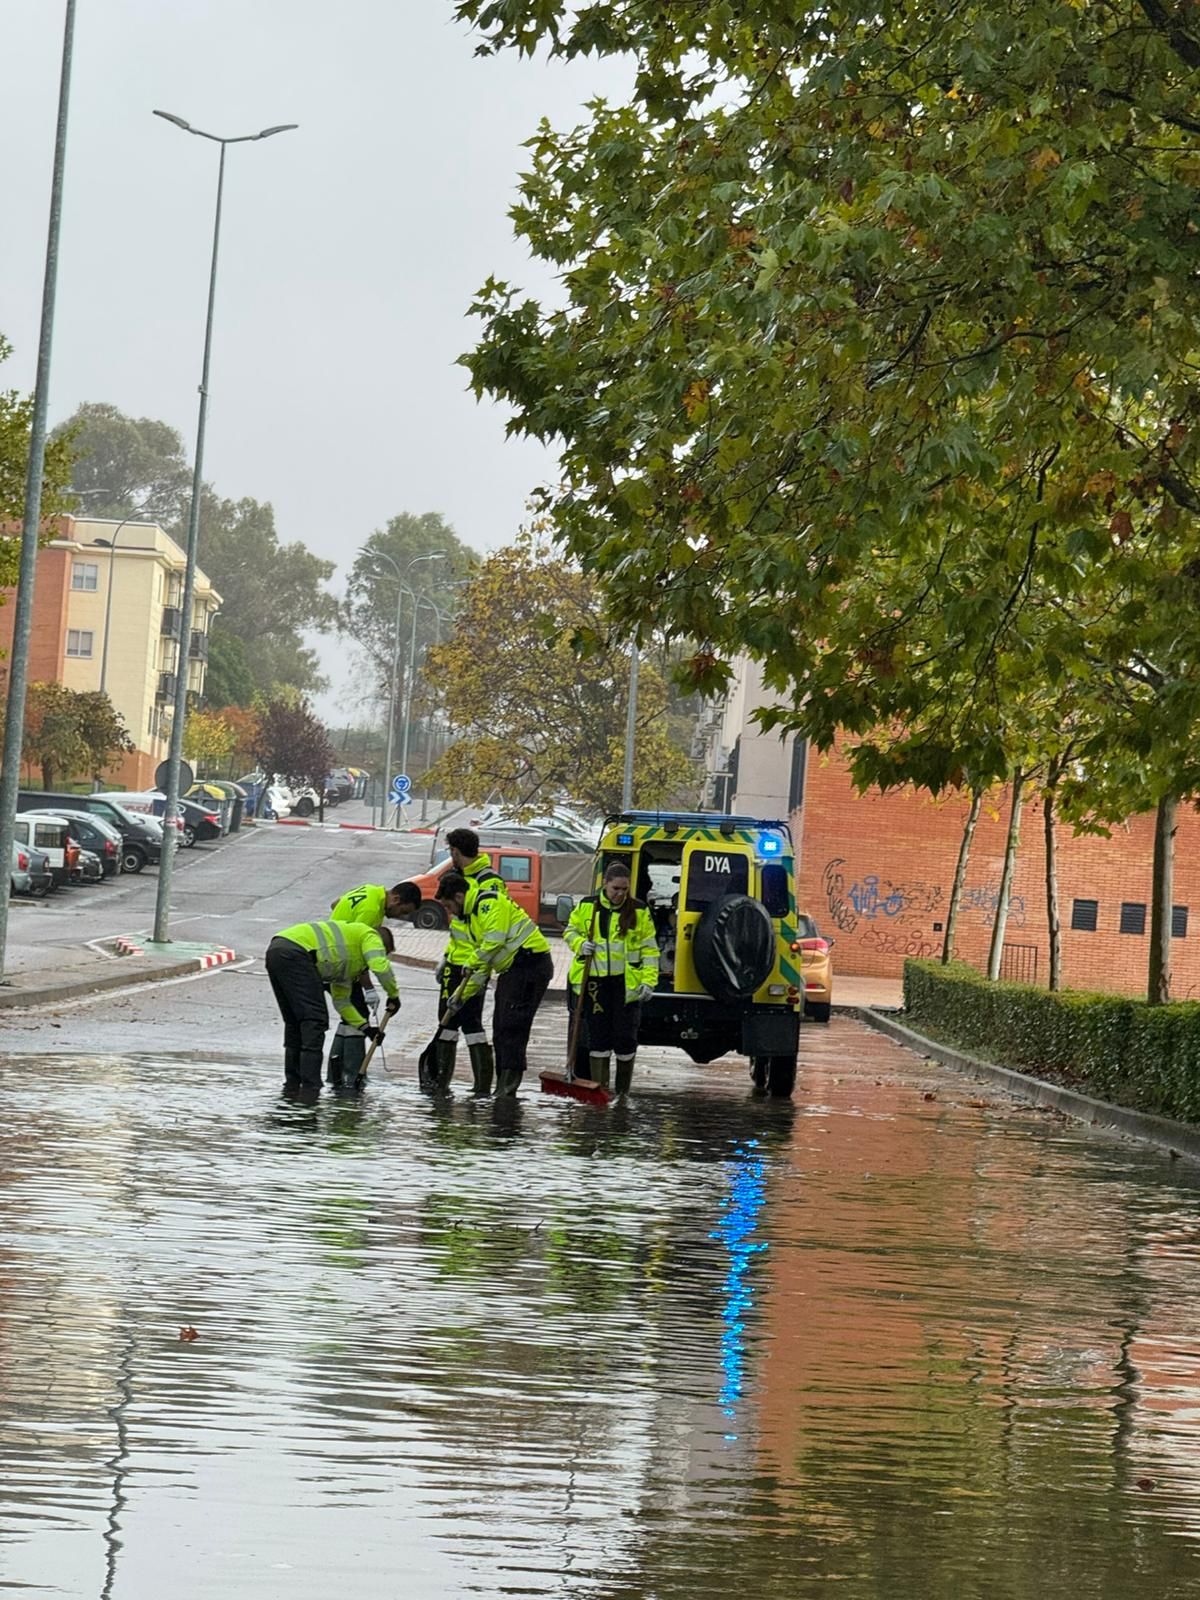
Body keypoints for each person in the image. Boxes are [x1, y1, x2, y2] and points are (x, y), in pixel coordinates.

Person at [435, 870, 553, 1098]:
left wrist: (471, 961)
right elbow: (481, 967)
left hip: (530, 964)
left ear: (459, 897)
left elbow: (493, 942)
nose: (449, 913)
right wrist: (461, 995)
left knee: (512, 1025)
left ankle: (507, 1090)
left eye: (449, 906)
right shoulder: (471, 918)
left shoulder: (488, 903)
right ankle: (502, 1088)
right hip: (513, 968)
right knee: (500, 1027)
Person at [265, 918, 400, 1099]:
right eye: (384, 953)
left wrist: (366, 1029)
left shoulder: (346, 963)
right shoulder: (370, 935)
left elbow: (342, 1002)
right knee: (315, 1021)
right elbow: (380, 967)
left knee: (295, 1021)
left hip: (277, 950)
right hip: (297, 953)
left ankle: (292, 1086)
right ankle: (310, 1087)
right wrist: (393, 995)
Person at [564, 860, 658, 1095]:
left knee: (625, 1039)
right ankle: (601, 1092)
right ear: (605, 884)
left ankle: (622, 1093)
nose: (620, 893)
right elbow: (570, 930)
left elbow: (649, 950)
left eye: (625, 889)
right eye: (616, 888)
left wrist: (649, 981)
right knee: (599, 1038)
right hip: (595, 982)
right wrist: (579, 944)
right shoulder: (588, 906)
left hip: (626, 985)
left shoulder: (638, 910)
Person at [327, 882, 420, 1087]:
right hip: (337, 961)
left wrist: (342, 920)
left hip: (332, 954)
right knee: (358, 1014)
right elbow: (362, 953)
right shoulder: (371, 911)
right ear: (395, 899)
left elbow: (335, 904)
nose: (400, 916)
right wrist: (369, 988)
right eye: (402, 911)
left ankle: (336, 1072)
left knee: (351, 1016)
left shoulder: (369, 891)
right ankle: (352, 1076)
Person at [437, 828, 505, 1094]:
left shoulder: (489, 882)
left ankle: (482, 1087)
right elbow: (458, 928)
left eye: (450, 852)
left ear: (455, 851)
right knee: (446, 1022)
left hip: (475, 966)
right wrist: (446, 958)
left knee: (471, 1022)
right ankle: (440, 1083)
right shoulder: (456, 878)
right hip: (455, 963)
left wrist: (480, 971)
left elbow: (493, 932)